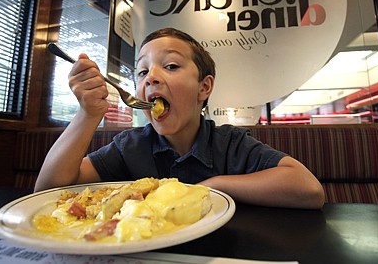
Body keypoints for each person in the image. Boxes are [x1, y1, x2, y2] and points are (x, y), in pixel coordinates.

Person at [35, 28, 325, 209]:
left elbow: (308, 190)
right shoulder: (130, 146)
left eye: (171, 65)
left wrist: (212, 186)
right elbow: (49, 192)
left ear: (204, 87)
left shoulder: (228, 144)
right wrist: (88, 115)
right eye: (142, 71)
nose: (151, 78)